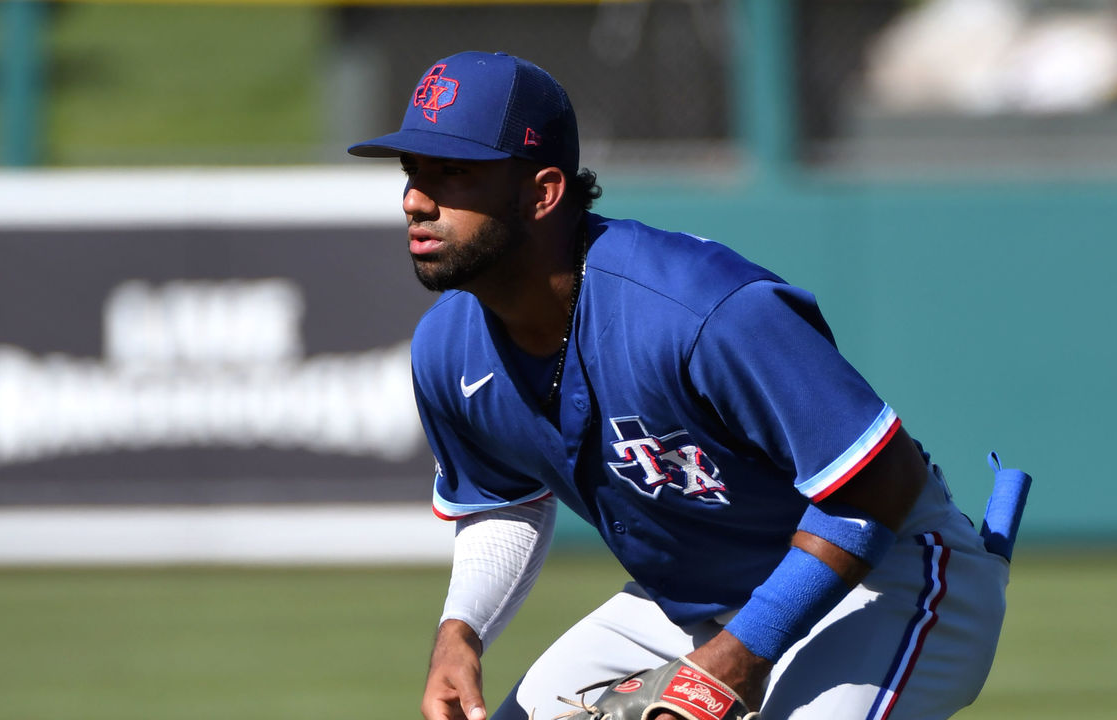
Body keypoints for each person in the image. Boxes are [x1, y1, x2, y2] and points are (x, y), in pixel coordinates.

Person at [349, 51, 1019, 720]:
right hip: (692, 607)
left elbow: (883, 482)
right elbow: (505, 502)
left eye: (452, 173)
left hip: (887, 580)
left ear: (541, 193)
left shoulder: (699, 309)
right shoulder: (447, 347)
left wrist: (736, 659)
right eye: (413, 172)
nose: (415, 198)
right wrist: (460, 633)